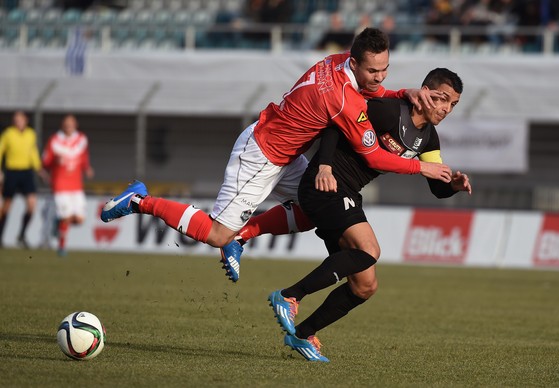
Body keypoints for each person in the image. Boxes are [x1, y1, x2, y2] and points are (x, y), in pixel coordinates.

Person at [100, 28, 452, 281]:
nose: (378, 77)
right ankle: (139, 200)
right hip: (262, 156)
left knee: (314, 206)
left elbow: (369, 92)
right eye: (372, 71)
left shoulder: (336, 60)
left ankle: (244, 237)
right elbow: (375, 158)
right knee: (216, 234)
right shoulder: (346, 100)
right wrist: (420, 168)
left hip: (285, 153)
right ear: (356, 64)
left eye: (384, 70)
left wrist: (398, 91)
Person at [260, 68, 471, 361]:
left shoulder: (429, 140)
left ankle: (302, 334)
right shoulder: (389, 111)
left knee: (364, 286)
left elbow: (438, 187)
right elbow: (335, 124)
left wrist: (455, 188)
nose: (446, 108)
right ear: (425, 91)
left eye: (453, 104)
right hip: (326, 183)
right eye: (442, 98)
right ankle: (289, 295)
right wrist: (323, 166)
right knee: (369, 249)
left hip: (347, 193)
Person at [42, 114, 93, 256]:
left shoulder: (81, 139)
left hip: (76, 185)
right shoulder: (55, 141)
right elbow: (45, 161)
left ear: (75, 125)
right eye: (66, 123)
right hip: (60, 184)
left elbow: (83, 157)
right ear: (62, 125)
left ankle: (57, 223)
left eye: (71, 123)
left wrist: (87, 168)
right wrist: (52, 164)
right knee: (66, 216)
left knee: (79, 219)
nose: (68, 126)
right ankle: (62, 247)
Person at [0, 111, 43, 248]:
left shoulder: (31, 134)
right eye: (16, 119)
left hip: (26, 172)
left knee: (31, 205)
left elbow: (33, 152)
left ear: (26, 120)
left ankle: (22, 235)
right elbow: (0, 150)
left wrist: (39, 168)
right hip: (11, 172)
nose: (18, 121)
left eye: (20, 119)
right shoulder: (8, 133)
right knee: (6, 206)